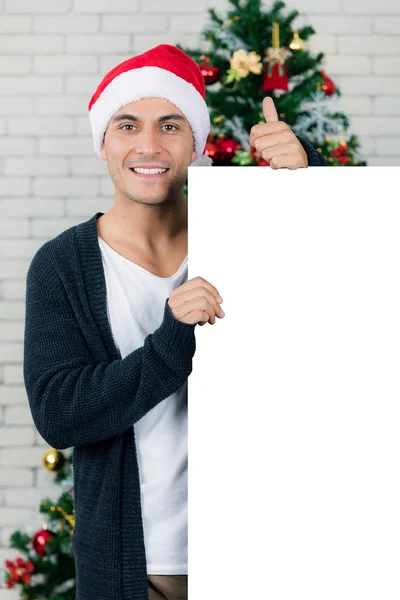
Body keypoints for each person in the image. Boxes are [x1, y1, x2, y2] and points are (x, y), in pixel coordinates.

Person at [23, 44, 326, 600]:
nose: (148, 145)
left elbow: (340, 316)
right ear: (104, 142)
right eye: (127, 124)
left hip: (266, 557)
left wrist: (307, 190)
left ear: (196, 142)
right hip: (132, 572)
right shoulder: (62, 265)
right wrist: (168, 345)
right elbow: (59, 414)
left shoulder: (248, 239)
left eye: (170, 124)